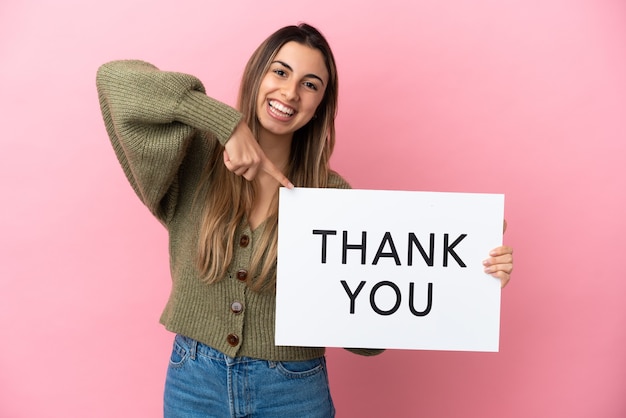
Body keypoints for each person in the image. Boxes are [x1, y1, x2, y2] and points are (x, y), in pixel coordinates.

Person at [96, 23, 514, 417]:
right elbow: (115, 80)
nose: (290, 92)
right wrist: (226, 124)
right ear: (257, 76)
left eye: (309, 84)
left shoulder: (333, 197)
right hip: (193, 381)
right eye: (280, 71)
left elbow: (368, 342)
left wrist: (465, 276)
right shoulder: (195, 161)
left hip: (293, 391)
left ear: (318, 107)